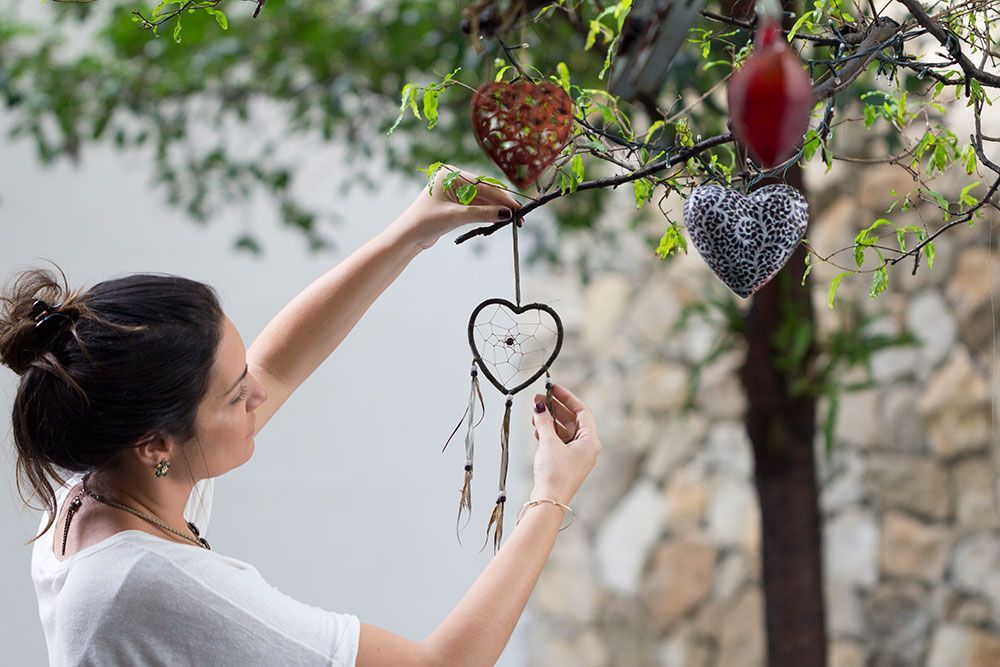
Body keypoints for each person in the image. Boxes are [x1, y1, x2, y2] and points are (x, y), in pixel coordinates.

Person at [0, 164, 603, 666]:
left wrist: (412, 232)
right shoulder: (144, 586)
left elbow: (278, 366)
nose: (257, 397)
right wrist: (551, 493)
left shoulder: (99, 477)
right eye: (236, 398)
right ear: (155, 444)